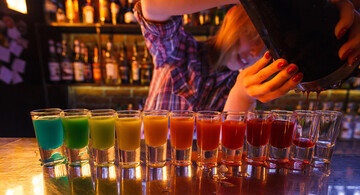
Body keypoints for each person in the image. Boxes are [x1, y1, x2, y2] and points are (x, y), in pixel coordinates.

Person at [135, 0, 360, 112]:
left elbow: (229, 152)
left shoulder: (249, 85)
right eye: (253, 36)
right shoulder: (178, 51)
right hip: (152, 182)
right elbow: (153, 5)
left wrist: (241, 96)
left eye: (266, 47)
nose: (255, 52)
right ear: (231, 16)